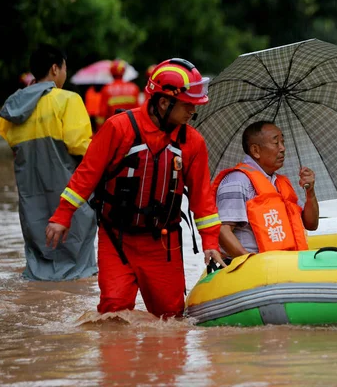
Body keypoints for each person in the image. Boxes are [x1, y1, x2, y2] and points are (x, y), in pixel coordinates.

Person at [45, 58, 225, 319]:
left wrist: (210, 240)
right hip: (117, 239)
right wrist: (62, 215)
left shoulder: (193, 143)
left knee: (171, 317)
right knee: (113, 313)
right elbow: (86, 175)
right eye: (188, 105)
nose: (192, 113)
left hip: (163, 244)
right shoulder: (117, 128)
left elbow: (202, 198)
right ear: (164, 102)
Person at [0, 43, 97, 281]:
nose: (64, 74)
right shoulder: (68, 100)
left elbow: (11, 143)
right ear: (55, 69)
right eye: (64, 69)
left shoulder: (13, 106)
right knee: (78, 270)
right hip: (68, 191)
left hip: (31, 197)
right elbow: (80, 145)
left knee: (39, 265)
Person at [212, 121, 319, 260]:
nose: (282, 148)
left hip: (285, 265)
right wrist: (251, 263)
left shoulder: (281, 182)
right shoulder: (237, 181)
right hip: (255, 270)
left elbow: (311, 224)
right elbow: (222, 230)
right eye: (276, 143)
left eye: (283, 142)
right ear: (256, 150)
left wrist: (310, 192)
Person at [95, 59, 140, 131]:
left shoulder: (106, 89)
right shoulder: (134, 88)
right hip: (132, 129)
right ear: (124, 72)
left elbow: (102, 114)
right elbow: (138, 111)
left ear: (111, 72)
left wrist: (99, 130)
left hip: (113, 129)